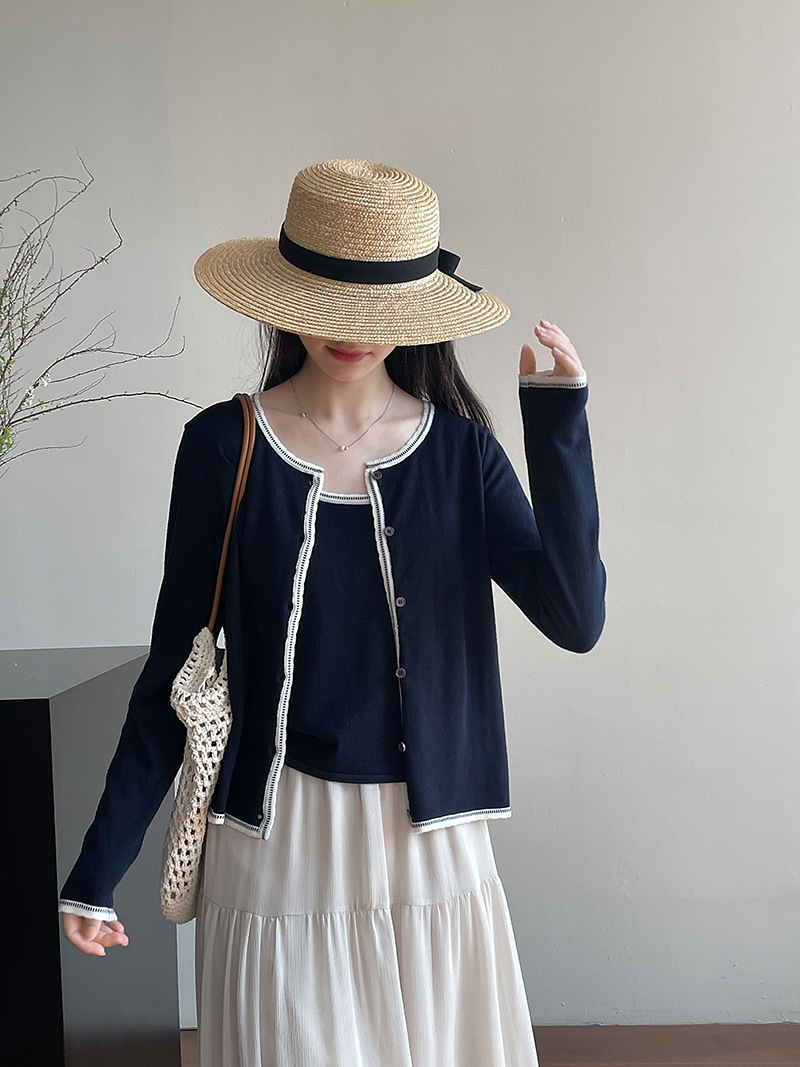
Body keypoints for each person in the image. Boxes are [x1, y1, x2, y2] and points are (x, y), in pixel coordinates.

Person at [60, 158, 606, 1066]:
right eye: (326, 300)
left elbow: (576, 616)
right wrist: (95, 871)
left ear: (414, 311)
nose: (350, 331)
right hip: (277, 841)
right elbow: (172, 673)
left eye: (376, 306)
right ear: (285, 297)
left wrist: (558, 424)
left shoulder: (461, 455)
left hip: (429, 845)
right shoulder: (222, 445)